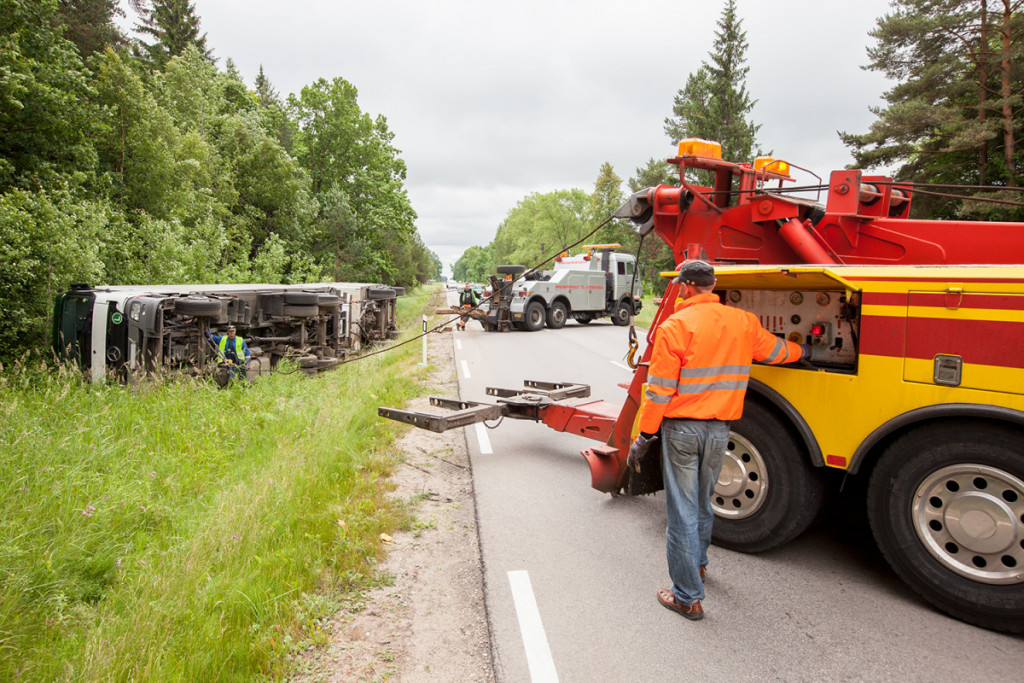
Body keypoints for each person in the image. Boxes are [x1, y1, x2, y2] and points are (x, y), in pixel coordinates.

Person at [628, 260, 809, 621]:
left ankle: (687, 598)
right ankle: (697, 567)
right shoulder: (743, 322)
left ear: (685, 287)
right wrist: (803, 351)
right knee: (702, 504)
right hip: (720, 431)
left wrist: (645, 434)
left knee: (681, 512)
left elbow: (660, 392)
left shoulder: (675, 326)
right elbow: (776, 352)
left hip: (682, 430)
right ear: (711, 287)